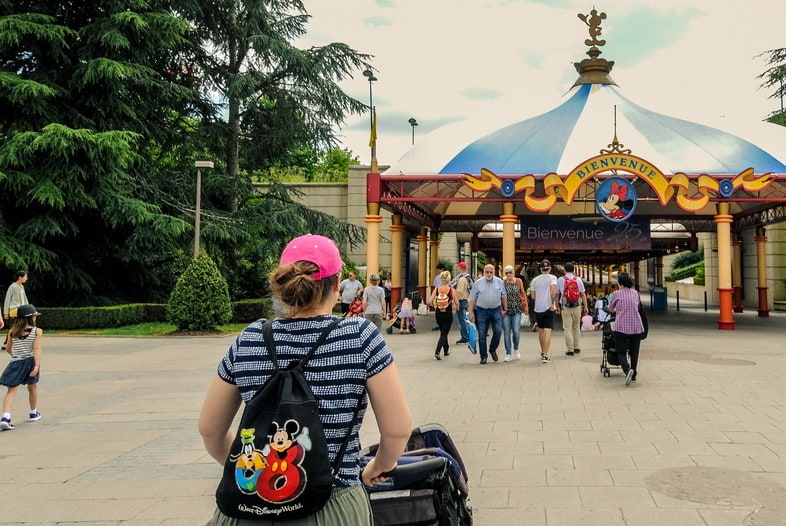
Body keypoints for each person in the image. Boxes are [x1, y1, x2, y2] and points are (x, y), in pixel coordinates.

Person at [198, 234, 411, 525]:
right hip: (332, 504)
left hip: (248, 509)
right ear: (337, 286)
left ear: (281, 285)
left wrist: (257, 471)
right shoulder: (359, 337)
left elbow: (210, 429)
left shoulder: (250, 338)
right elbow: (398, 431)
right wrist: (378, 466)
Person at [0, 304, 43, 431]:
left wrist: (16, 356)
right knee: (33, 387)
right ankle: (33, 413)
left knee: (11, 390)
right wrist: (37, 365)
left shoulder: (12, 331)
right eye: (34, 316)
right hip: (30, 362)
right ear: (30, 318)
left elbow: (8, 348)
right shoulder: (37, 331)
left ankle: (5, 417)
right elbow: (37, 349)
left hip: (15, 362)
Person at [609, 272, 646, 386]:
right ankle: (634, 374)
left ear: (620, 283)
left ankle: (627, 370)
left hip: (621, 327)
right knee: (634, 352)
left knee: (621, 351)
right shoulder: (635, 293)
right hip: (636, 326)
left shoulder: (616, 293)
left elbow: (611, 308)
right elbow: (638, 306)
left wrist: (616, 310)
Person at [468, 264, 507, 365]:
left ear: (494, 272)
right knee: (482, 333)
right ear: (484, 272)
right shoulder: (478, 283)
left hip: (496, 310)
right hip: (482, 310)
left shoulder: (499, 282)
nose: (489, 274)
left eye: (491, 272)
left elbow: (504, 296)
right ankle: (483, 356)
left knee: (498, 331)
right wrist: (471, 312)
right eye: (487, 272)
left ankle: (492, 349)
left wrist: (505, 308)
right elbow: (472, 298)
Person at [529, 259, 559, 363]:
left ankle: (542, 351)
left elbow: (533, 296)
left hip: (538, 308)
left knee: (541, 331)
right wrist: (553, 303)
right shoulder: (553, 278)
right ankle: (545, 355)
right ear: (550, 268)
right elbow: (553, 291)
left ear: (541, 269)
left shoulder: (535, 280)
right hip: (548, 307)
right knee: (548, 332)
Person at [557, 262, 589, 356]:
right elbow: (583, 294)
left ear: (564, 270)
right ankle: (577, 347)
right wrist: (586, 307)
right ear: (574, 270)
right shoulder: (578, 280)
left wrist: (557, 306)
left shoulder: (560, 280)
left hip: (565, 306)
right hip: (577, 306)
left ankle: (570, 349)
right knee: (576, 327)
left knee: (567, 328)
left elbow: (556, 294)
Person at [501, 265, 528, 362]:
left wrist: (526, 305)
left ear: (513, 273)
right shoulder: (503, 283)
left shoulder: (518, 281)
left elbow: (523, 293)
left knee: (516, 331)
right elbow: (500, 296)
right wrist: (501, 309)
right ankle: (508, 353)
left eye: (510, 272)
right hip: (506, 311)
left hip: (517, 309)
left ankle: (516, 349)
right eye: (506, 273)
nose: (508, 274)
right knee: (507, 332)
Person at [432, 270, 458, 360]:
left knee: (443, 331)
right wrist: (457, 307)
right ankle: (437, 351)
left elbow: (429, 301)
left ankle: (446, 350)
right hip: (448, 313)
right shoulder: (451, 290)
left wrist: (435, 304)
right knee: (444, 333)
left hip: (438, 313)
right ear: (449, 279)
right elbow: (456, 302)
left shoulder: (437, 289)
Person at [451, 262, 472, 344]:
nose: (457, 269)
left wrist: (455, 303)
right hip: (465, 299)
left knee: (461, 319)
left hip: (461, 300)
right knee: (463, 318)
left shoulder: (461, 279)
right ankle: (466, 335)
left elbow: (458, 292)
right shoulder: (467, 278)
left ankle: (465, 337)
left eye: (458, 267)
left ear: (461, 268)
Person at [429, 263, 446, 330]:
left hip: (444, 295)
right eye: (437, 269)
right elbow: (435, 286)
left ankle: (442, 323)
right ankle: (438, 324)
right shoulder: (437, 277)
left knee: (443, 310)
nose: (438, 270)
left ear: (442, 269)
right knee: (437, 310)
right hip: (438, 295)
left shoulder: (446, 276)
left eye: (439, 269)